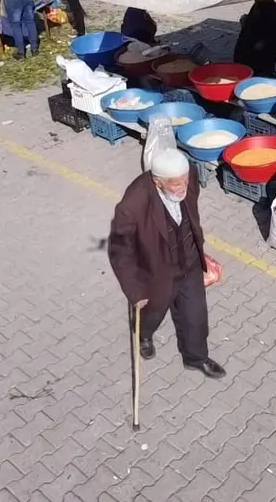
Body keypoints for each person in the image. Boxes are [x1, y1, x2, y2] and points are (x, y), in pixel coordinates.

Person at [108, 148, 226, 380]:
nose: (182, 187)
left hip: (189, 262)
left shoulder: (188, 175)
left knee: (196, 316)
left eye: (184, 181)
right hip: (156, 271)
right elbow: (120, 251)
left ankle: (196, 358)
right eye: (175, 185)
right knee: (152, 312)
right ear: (158, 182)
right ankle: (143, 334)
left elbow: (191, 213)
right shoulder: (133, 204)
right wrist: (135, 291)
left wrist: (199, 250)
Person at [233, 0, 276, 76]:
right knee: (242, 47)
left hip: (270, 45)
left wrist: (263, 42)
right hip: (257, 40)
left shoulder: (270, 8)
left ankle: (252, 73)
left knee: (248, 54)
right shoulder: (259, 6)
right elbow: (254, 23)